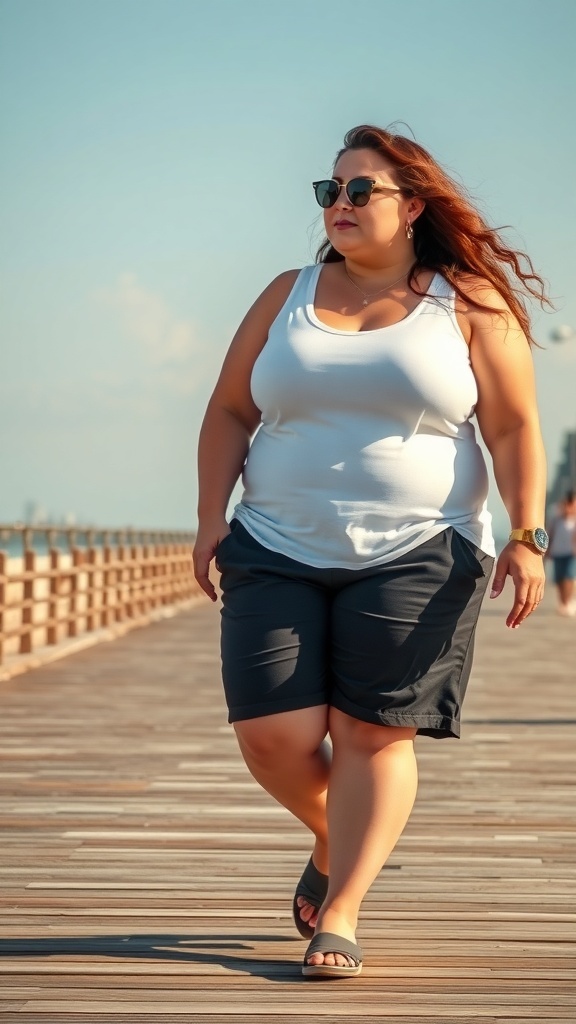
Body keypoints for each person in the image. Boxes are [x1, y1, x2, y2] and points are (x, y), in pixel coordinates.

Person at [193, 124, 549, 978]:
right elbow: (229, 410)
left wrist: (529, 533)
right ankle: (336, 833)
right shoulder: (287, 293)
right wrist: (212, 517)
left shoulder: (466, 304)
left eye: (361, 190)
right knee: (270, 734)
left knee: (372, 734)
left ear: (413, 206)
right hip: (274, 541)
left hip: (422, 550)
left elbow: (510, 426)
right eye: (331, 191)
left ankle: (341, 912)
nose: (340, 205)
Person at [547, 491, 576, 615]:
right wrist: (547, 549)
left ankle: (567, 601)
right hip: (557, 551)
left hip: (571, 552)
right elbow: (551, 533)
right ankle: (562, 602)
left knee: (568, 577)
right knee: (559, 578)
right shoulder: (556, 518)